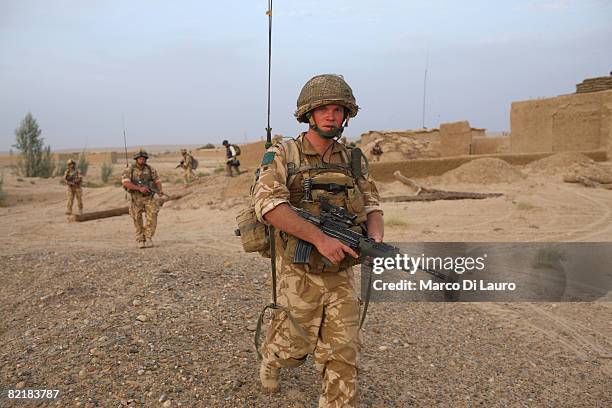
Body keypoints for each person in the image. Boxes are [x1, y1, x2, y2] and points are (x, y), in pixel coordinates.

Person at [253, 74, 384, 407]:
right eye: (323, 109)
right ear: (309, 114)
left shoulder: (353, 159)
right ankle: (271, 357)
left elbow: (372, 205)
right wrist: (320, 238)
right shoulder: (284, 153)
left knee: (343, 353)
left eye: (338, 109)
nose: (331, 115)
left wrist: (375, 240)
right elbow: (268, 206)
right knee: (292, 346)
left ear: (346, 115)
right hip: (299, 269)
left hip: (340, 271)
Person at [121, 150, 164, 249]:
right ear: (136, 159)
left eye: (144, 158)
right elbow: (126, 183)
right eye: (140, 158)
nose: (142, 160)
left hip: (149, 197)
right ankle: (140, 239)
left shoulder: (150, 169)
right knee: (137, 219)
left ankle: (148, 237)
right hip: (135, 198)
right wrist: (139, 188)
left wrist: (159, 190)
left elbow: (157, 181)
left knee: (152, 216)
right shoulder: (129, 169)